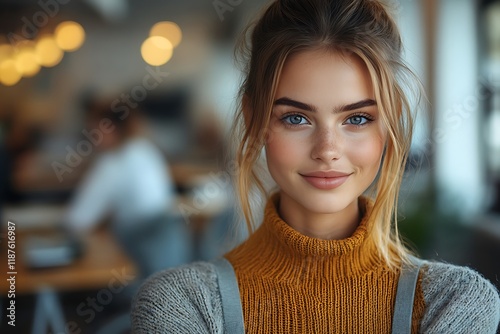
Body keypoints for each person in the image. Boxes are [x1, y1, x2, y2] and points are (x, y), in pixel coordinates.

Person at [131, 0, 500, 333]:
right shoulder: (183, 304)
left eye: (356, 119)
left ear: (390, 122)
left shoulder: (454, 302)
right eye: (296, 118)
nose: (327, 150)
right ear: (254, 119)